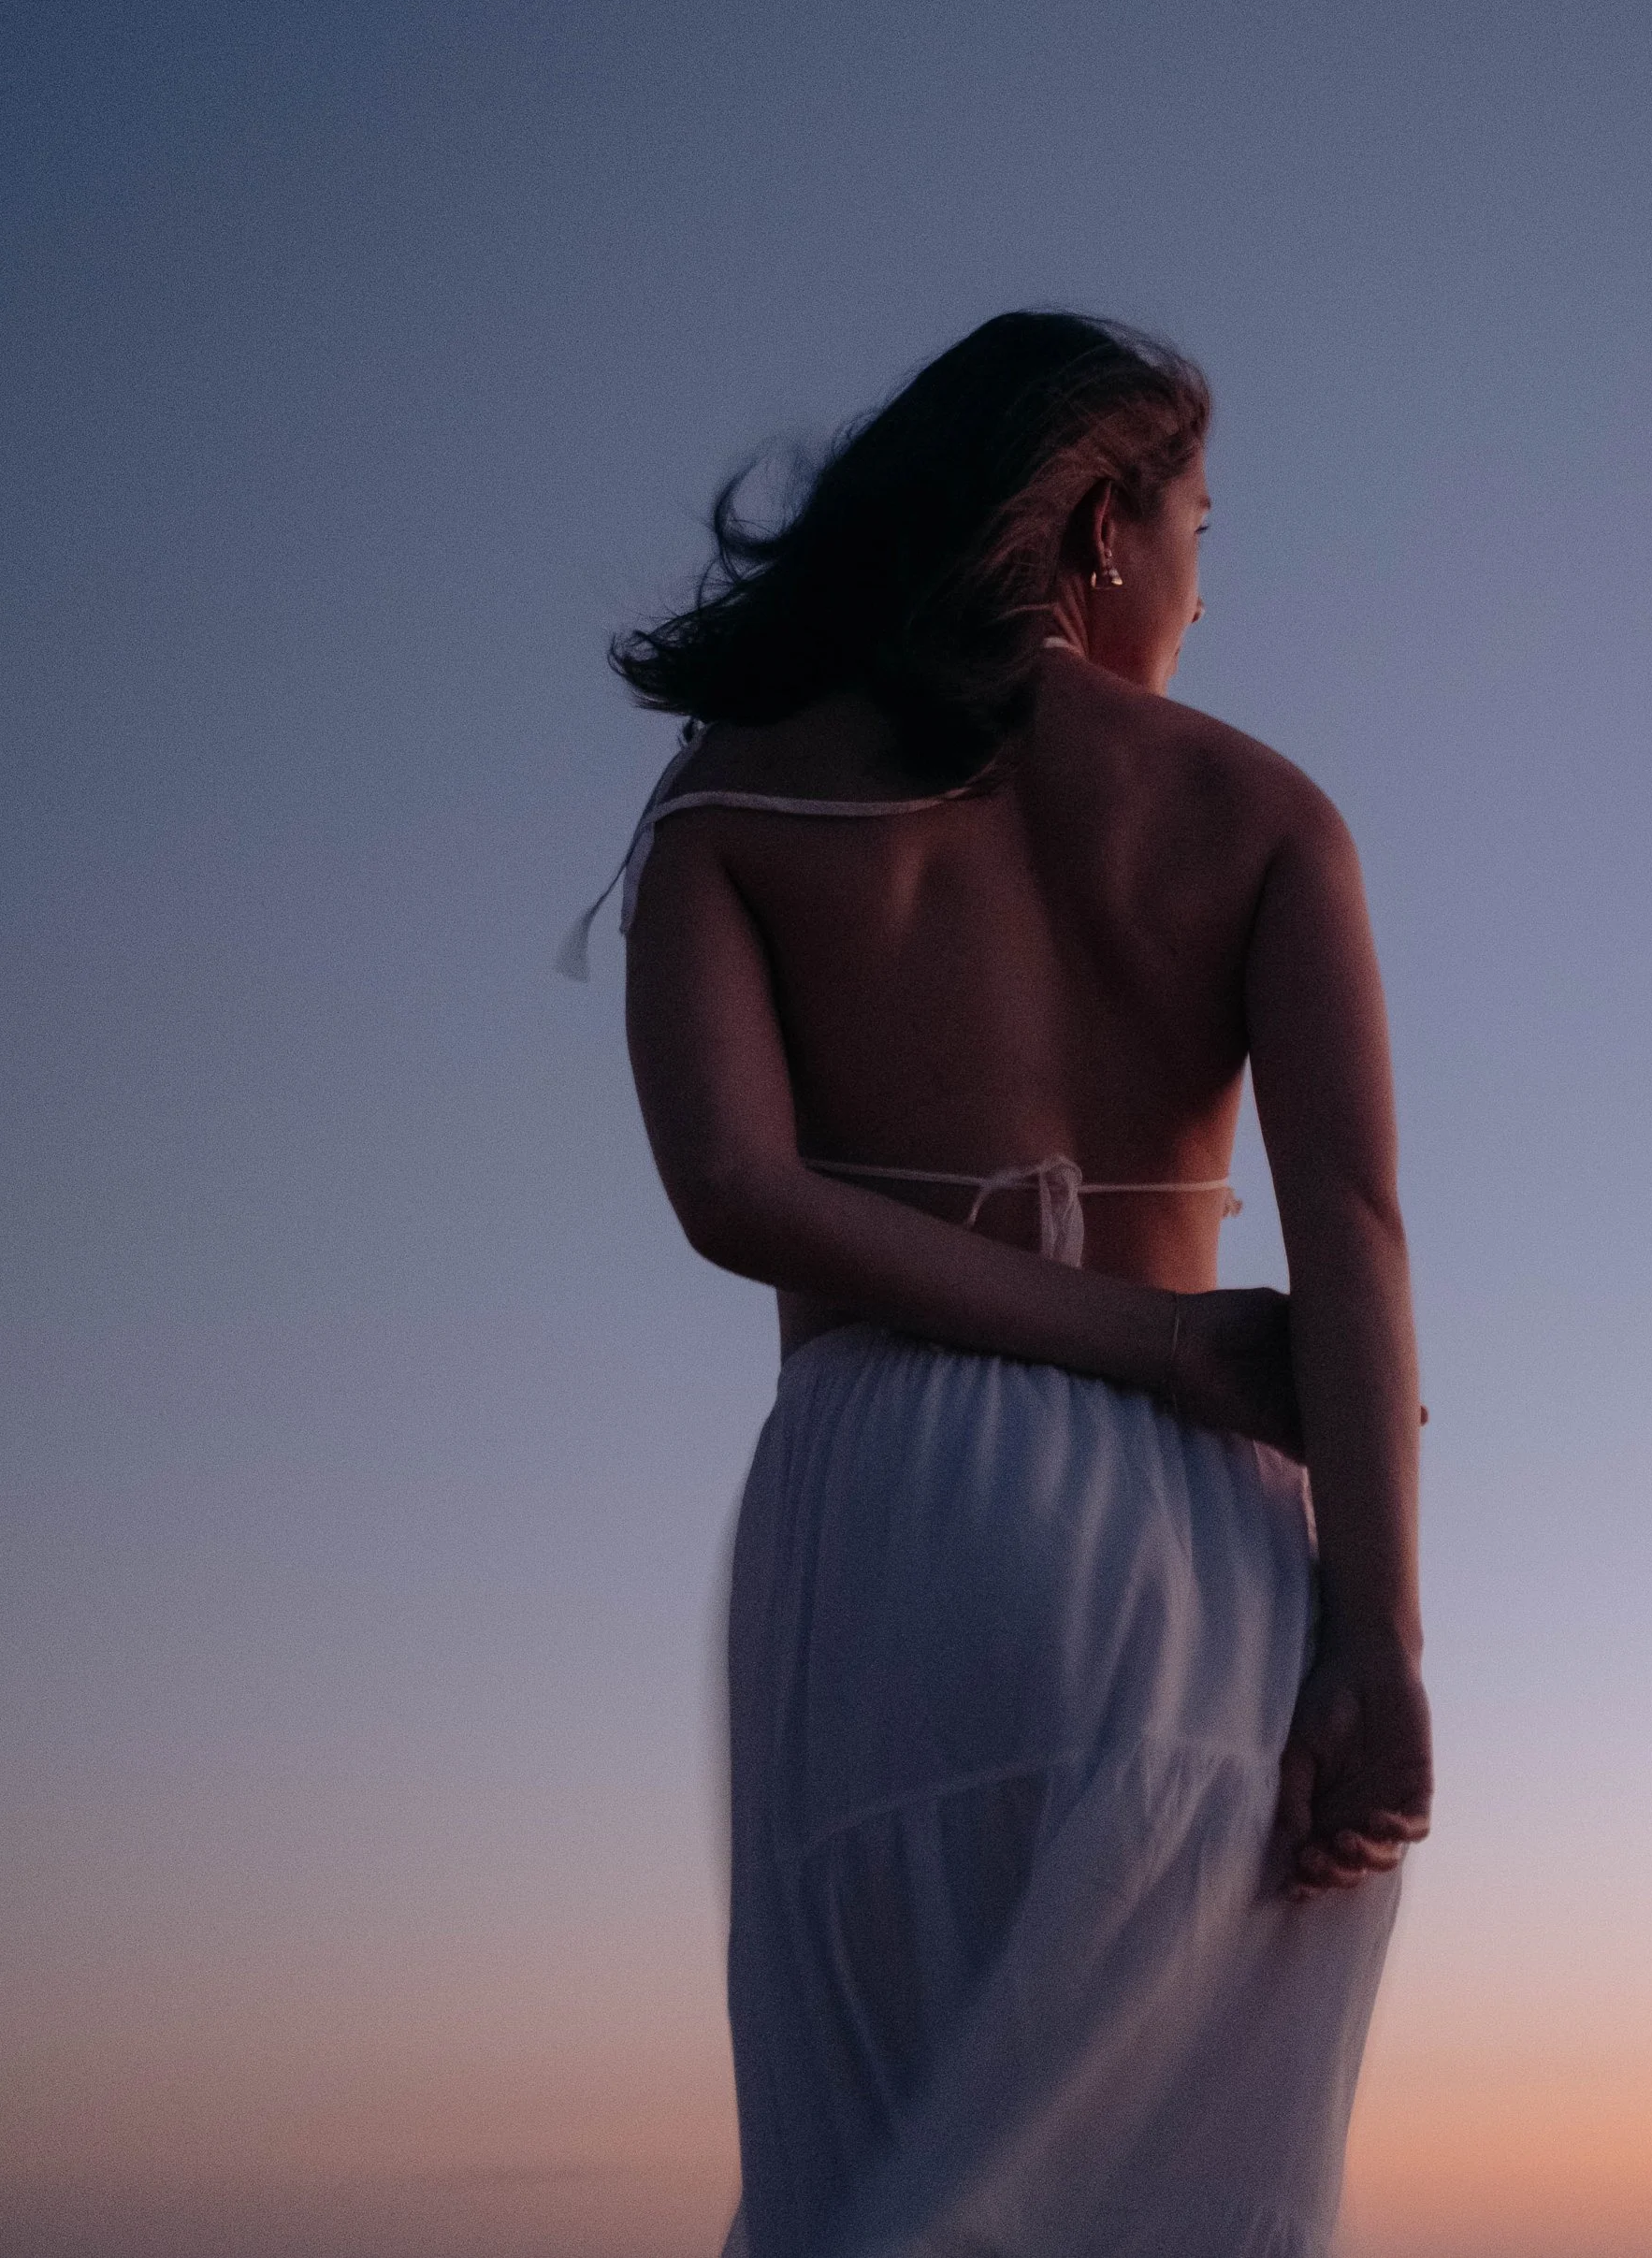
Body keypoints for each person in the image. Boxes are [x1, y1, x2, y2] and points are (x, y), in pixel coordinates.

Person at [585, 311, 1428, 2258]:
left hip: (883, 1516)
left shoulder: (729, 803)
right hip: (1201, 1525)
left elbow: (731, 1188)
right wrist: (1375, 1638)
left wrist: (1143, 1346)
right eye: (1204, 534)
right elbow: (1353, 1236)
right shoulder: (1261, 810)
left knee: (878, 2173)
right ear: (1104, 528)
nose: (1204, 603)